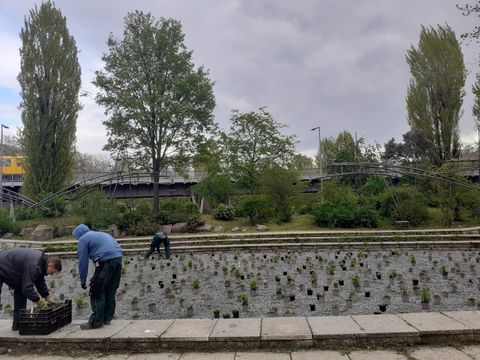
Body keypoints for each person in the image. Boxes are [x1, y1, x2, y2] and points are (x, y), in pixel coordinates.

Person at [72, 224, 123, 330]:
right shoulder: (100, 234)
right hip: (118, 260)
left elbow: (83, 260)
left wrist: (83, 279)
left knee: (96, 290)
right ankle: (107, 318)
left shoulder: (83, 239)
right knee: (110, 290)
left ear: (79, 234)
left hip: (105, 261)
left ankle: (96, 322)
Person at [0, 248, 61, 331]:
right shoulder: (35, 265)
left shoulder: (42, 262)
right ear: (50, 265)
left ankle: (18, 324)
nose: (52, 274)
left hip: (12, 269)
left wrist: (47, 296)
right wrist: (40, 302)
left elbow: (39, 281)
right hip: (3, 264)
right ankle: (18, 323)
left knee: (20, 291)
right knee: (24, 289)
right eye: (53, 272)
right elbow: (27, 289)